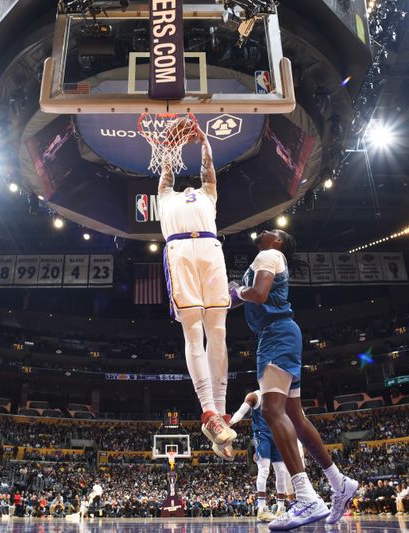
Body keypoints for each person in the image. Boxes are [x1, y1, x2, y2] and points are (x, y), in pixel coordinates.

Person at [229, 229, 358, 529]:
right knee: (294, 417)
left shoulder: (269, 255)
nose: (267, 230)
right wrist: (229, 293)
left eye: (275, 232)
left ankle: (307, 498)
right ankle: (339, 483)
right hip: (281, 333)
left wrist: (237, 291)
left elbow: (257, 294)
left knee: (273, 411)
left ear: (279, 243)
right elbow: (241, 299)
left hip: (276, 335)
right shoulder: (260, 262)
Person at [158, 118, 233, 459]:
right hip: (180, 252)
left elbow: (208, 170)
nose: (190, 186)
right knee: (194, 334)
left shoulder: (208, 192)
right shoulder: (165, 196)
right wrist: (170, 147)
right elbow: (166, 174)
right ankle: (208, 411)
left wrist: (204, 141)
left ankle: (220, 413)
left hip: (209, 249)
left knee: (217, 332)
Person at [229, 390, 299, 522]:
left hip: (278, 435)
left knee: (282, 472)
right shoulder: (254, 396)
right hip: (262, 435)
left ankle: (281, 508)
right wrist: (230, 422)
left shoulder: (279, 395)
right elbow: (241, 411)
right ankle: (261, 509)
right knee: (264, 470)